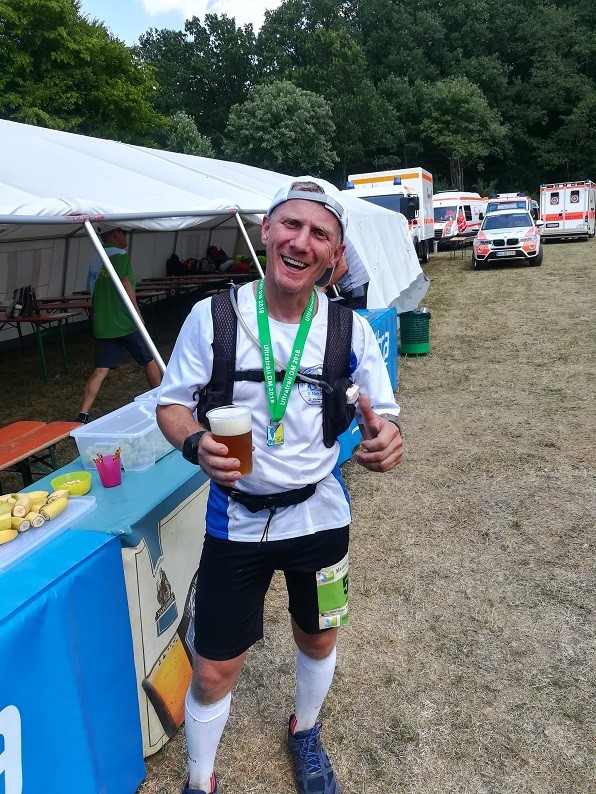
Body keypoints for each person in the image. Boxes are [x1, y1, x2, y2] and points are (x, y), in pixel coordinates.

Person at [156, 177, 403, 794]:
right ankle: (201, 779)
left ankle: (306, 730)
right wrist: (193, 443)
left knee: (319, 636)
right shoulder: (213, 316)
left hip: (319, 516)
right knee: (214, 669)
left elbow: (386, 416)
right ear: (266, 231)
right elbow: (171, 405)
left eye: (320, 233)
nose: (302, 242)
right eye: (290, 225)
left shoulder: (351, 331)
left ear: (335, 256)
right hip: (235, 517)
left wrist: (385, 440)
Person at [77, 226, 162, 423]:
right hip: (125, 321)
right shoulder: (120, 254)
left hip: (104, 324)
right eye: (125, 233)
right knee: (149, 360)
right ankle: (161, 401)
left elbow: (90, 290)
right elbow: (125, 284)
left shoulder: (94, 258)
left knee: (101, 369)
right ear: (116, 234)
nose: (126, 237)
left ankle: (82, 414)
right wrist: (138, 314)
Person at [326, 238, 369, 310]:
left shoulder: (334, 235)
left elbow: (343, 267)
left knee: (352, 316)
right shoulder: (336, 232)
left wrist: (325, 287)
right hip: (358, 280)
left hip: (355, 284)